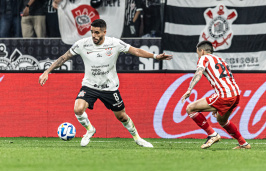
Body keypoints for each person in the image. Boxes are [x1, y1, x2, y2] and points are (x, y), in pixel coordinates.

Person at [39, 19, 172, 147]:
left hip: (110, 88)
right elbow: (63, 58)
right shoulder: (82, 44)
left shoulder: (114, 43)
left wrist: (155, 56)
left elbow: (136, 51)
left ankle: (138, 139)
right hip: (90, 85)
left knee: (122, 117)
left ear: (104, 32)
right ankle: (90, 129)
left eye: (97, 32)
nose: (93, 35)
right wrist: (47, 71)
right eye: (92, 32)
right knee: (78, 109)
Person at [181, 41, 251, 149]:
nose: (198, 56)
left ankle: (212, 134)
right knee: (222, 120)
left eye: (198, 53)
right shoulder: (221, 60)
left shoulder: (204, 58)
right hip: (236, 94)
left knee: (190, 108)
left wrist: (189, 89)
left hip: (224, 94)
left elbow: (199, 72)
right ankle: (243, 143)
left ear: (202, 51)